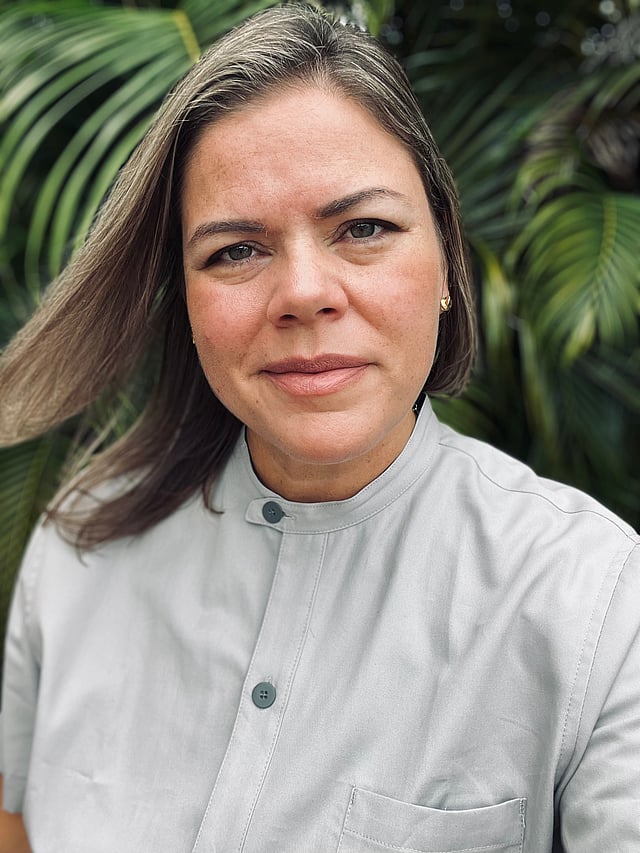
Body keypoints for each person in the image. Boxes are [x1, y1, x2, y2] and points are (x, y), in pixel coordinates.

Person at [0, 4, 638, 851]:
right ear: (186, 304)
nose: (304, 293)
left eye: (363, 228)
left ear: (447, 263)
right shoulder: (80, 546)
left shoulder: (595, 599)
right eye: (235, 250)